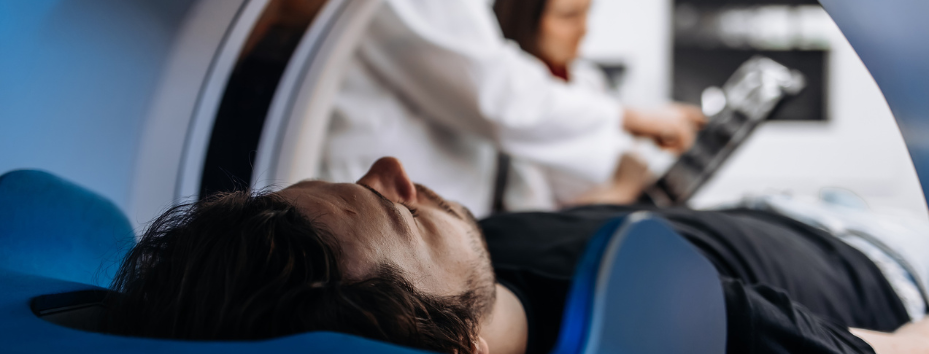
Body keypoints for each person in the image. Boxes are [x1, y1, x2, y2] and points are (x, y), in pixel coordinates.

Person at [106, 157, 929, 354]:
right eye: (396, 213)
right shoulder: (687, 326)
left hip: (760, 214)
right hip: (881, 257)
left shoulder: (459, 278)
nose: (394, 170)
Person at [321, 0, 705, 217]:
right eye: (569, 15)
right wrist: (629, 122)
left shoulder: (580, 88)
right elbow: (496, 95)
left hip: (430, 220)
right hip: (387, 220)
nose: (583, 29)